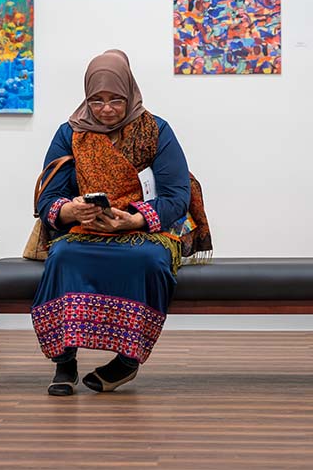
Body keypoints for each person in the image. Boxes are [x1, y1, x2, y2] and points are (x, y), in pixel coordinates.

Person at [31, 49, 210, 396]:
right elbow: (48, 198)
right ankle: (64, 361)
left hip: (143, 230)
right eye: (96, 101)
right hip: (87, 231)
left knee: (149, 261)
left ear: (130, 93)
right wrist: (72, 211)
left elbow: (177, 196)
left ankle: (127, 361)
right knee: (63, 257)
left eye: (116, 100)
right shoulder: (70, 134)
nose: (107, 109)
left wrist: (135, 219)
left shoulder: (156, 130)